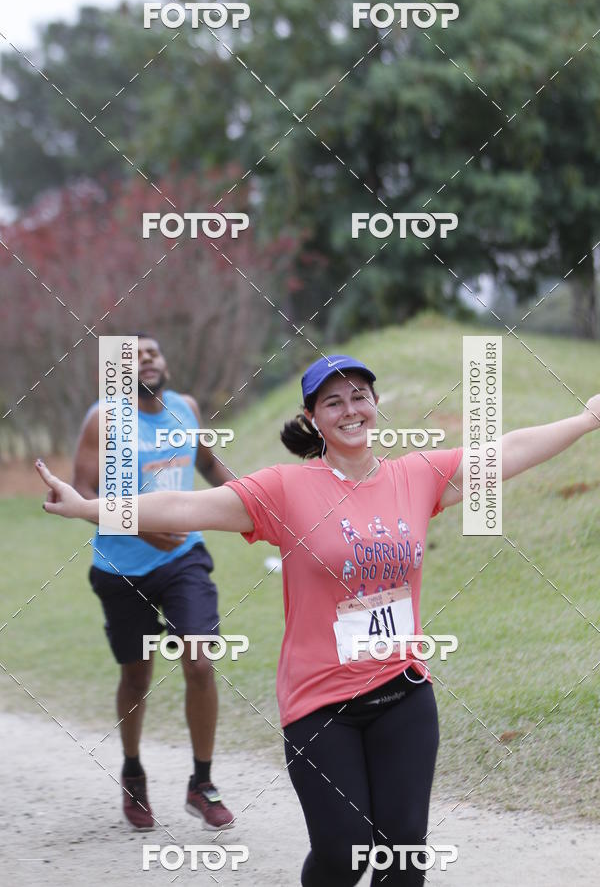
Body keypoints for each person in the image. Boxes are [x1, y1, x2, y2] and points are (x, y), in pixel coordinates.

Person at [37, 354, 600, 885]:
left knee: (403, 855)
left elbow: (506, 451)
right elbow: (185, 507)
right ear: (313, 417)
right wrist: (90, 508)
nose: (350, 409)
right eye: (332, 402)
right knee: (342, 850)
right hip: (319, 705)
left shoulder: (418, 475)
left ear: (375, 404)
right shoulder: (286, 488)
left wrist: (586, 418)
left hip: (402, 692)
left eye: (359, 396)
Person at [71, 334, 234, 832]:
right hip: (122, 567)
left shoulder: (185, 408)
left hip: (183, 558)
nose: (146, 360)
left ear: (165, 362)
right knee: (137, 677)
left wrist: (253, 502)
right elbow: (81, 491)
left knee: (200, 661)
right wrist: (140, 526)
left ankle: (201, 783)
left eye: (153, 353)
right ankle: (133, 772)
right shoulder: (103, 418)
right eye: (134, 355)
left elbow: (208, 465)